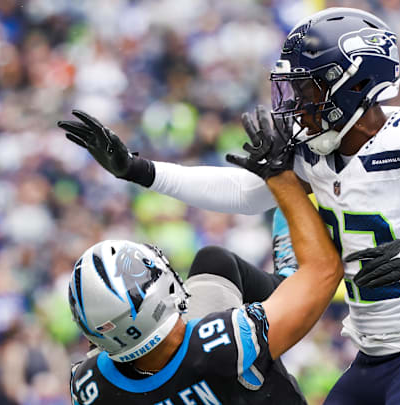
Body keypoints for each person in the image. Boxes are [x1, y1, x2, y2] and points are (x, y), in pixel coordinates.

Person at [59, 7, 400, 404]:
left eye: (308, 88)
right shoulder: (318, 148)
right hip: (371, 358)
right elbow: (246, 193)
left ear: (354, 83)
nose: (296, 102)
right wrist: (138, 170)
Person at [67, 112, 343, 404]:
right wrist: (285, 182)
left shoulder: (88, 388)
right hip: (228, 373)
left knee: (214, 263)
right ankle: (286, 280)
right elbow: (324, 270)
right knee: (218, 263)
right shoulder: (227, 344)